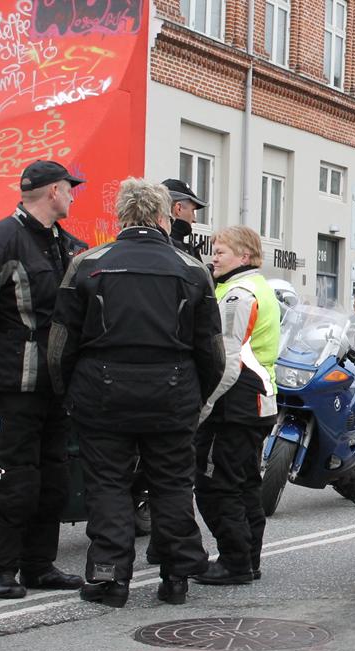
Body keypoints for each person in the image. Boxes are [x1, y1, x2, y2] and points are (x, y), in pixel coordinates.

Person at [48, 178, 224, 608]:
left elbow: (60, 343)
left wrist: (67, 392)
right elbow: (212, 349)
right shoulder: (192, 269)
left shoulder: (88, 263)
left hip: (102, 389)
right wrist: (196, 396)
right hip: (173, 390)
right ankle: (178, 575)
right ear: (164, 217)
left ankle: (109, 578)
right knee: (172, 483)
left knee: (108, 484)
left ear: (121, 216)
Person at [0, 160, 88, 599]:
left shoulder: (68, 245)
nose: (74, 196)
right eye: (70, 189)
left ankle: (40, 566)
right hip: (11, 386)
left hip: (55, 387)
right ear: (54, 191)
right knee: (11, 479)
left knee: (53, 479)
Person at [192, 226, 280, 586]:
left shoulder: (238, 295)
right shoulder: (255, 286)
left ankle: (235, 560)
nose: (214, 257)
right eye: (214, 250)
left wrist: (204, 407)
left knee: (216, 484)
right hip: (256, 400)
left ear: (244, 257)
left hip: (235, 403)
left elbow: (226, 360)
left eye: (221, 251)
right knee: (243, 483)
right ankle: (247, 558)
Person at [161, 178, 205, 261]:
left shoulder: (145, 242)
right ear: (179, 208)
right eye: (192, 211)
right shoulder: (180, 253)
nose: (194, 219)